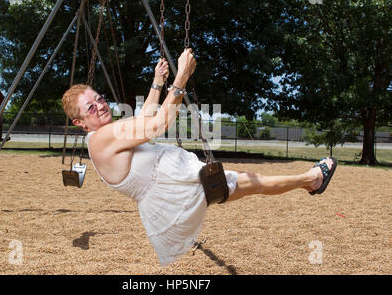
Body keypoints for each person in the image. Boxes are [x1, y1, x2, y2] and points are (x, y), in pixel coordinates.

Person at [62, 48, 337, 266]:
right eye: (90, 107)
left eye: (99, 98)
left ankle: (309, 181)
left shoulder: (104, 134)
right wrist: (180, 79)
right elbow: (157, 125)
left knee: (252, 183)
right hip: (176, 189)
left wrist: (158, 83)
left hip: (173, 186)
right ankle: (312, 180)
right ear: (79, 122)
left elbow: (145, 117)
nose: (100, 105)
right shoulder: (100, 139)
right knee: (253, 182)